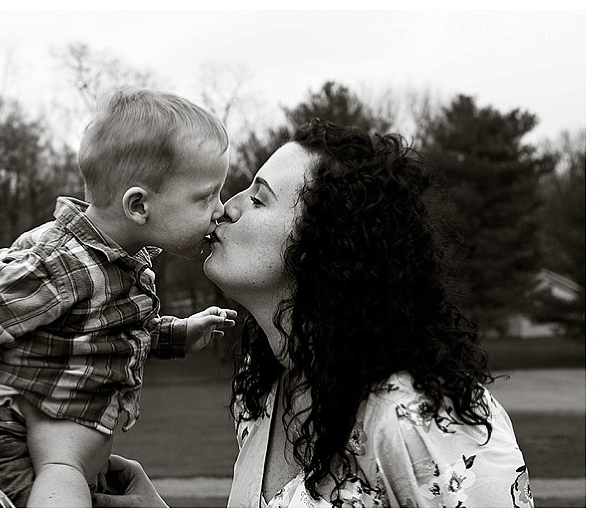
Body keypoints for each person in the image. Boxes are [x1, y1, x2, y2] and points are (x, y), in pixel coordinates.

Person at [90, 119, 534, 508]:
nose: (226, 208)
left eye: (258, 199)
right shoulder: (262, 393)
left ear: (320, 246)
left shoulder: (419, 416)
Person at [0, 88, 238, 508]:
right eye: (206, 196)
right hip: (21, 444)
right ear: (138, 205)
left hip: (63, 446)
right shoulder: (59, 264)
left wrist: (178, 334)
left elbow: (102, 338)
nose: (220, 209)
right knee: (61, 475)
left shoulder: (121, 261)